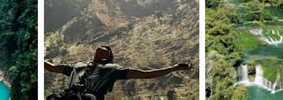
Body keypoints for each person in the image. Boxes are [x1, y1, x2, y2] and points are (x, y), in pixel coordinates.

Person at [45, 45, 192, 100]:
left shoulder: (112, 70)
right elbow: (51, 67)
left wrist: (174, 68)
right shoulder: (77, 66)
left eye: (106, 48)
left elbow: (146, 74)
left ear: (107, 57)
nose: (102, 47)